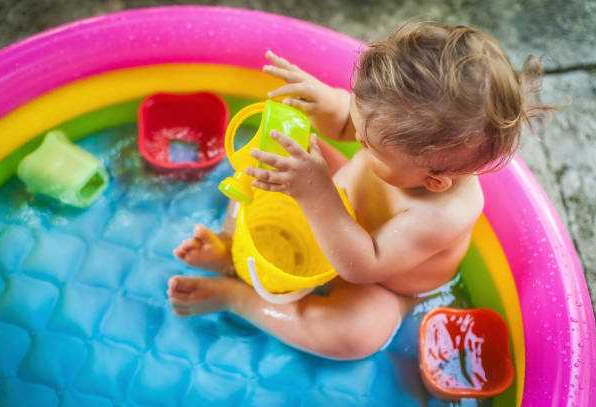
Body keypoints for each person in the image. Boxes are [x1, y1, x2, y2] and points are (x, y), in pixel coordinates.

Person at [167, 21, 548, 360]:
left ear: (433, 181)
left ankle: (236, 298)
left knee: (358, 333)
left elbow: (362, 264)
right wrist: (322, 100)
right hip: (331, 207)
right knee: (273, 154)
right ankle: (232, 249)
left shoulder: (444, 214)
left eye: (367, 143)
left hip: (377, 279)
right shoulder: (395, 125)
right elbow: (346, 121)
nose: (355, 135)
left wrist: (315, 193)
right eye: (359, 119)